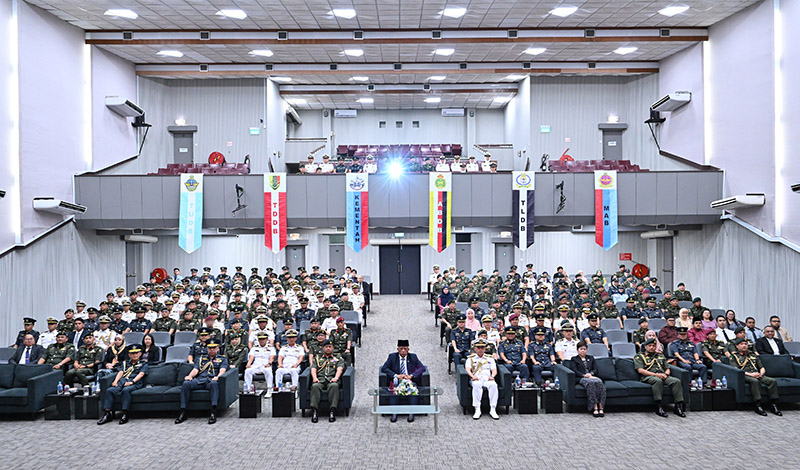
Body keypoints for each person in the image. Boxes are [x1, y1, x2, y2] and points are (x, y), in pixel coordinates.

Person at [175, 340, 228, 424]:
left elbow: (223, 370)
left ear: (217, 348)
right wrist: (190, 376)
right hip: (200, 380)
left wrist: (218, 377)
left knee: (214, 384)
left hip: (211, 380)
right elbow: (196, 369)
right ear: (207, 349)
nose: (211, 350)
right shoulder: (201, 359)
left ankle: (213, 412)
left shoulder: (222, 359)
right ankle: (183, 411)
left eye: (214, 348)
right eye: (210, 348)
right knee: (186, 384)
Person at [97, 344, 148, 425]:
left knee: (126, 390)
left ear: (140, 353)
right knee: (109, 390)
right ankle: (107, 414)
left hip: (134, 383)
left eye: (136, 353)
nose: (134, 355)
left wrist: (132, 382)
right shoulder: (125, 363)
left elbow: (141, 374)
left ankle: (125, 413)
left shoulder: (143, 364)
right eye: (132, 353)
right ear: (129, 354)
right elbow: (120, 372)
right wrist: (115, 381)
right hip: (122, 381)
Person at [729, 338, 782, 416]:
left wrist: (761, 374)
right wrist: (751, 375)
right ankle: (758, 405)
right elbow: (736, 369)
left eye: (745, 344)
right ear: (737, 346)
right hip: (744, 375)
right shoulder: (734, 356)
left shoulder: (753, 355)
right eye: (742, 344)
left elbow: (762, 367)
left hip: (757, 374)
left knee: (772, 381)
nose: (744, 346)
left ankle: (774, 405)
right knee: (755, 381)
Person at [634, 338, 686, 418]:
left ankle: (678, 406)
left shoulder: (660, 355)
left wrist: (666, 374)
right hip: (648, 376)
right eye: (649, 346)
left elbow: (667, 368)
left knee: (676, 381)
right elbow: (640, 370)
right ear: (645, 347)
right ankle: (658, 406)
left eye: (653, 346)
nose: (652, 347)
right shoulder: (640, 356)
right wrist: (656, 375)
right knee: (658, 381)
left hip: (662, 375)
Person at [380, 339, 426, 422]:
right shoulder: (392, 357)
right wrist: (396, 375)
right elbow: (384, 368)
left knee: (412, 388)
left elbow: (422, 368)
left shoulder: (413, 357)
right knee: (394, 389)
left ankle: (412, 412)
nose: (403, 351)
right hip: (397, 380)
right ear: (398, 349)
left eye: (405, 349)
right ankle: (394, 412)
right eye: (401, 349)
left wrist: (411, 376)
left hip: (410, 380)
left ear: (408, 349)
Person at [309, 339, 345, 423]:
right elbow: (313, 369)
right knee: (315, 386)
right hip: (320, 379)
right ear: (323, 348)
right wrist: (315, 378)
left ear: (333, 348)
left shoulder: (338, 358)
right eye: (326, 347)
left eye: (330, 347)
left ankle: (332, 410)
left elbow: (340, 369)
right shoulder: (317, 358)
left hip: (332, 379)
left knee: (334, 386)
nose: (328, 348)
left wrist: (336, 378)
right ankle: (315, 411)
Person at [464, 339, 499, 420]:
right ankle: (477, 409)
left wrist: (492, 376)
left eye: (482, 348)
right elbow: (468, 369)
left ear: (485, 348)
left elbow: (494, 369)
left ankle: (493, 409)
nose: (480, 349)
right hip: (476, 379)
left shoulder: (490, 358)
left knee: (493, 385)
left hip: (487, 379)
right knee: (476, 385)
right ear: (475, 348)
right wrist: (472, 376)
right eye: (478, 348)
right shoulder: (471, 359)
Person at [571, 341, 606, 417]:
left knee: (599, 382)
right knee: (591, 383)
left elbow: (595, 369)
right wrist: (584, 375)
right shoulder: (574, 359)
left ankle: (601, 406)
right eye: (581, 349)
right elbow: (574, 370)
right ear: (577, 350)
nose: (583, 351)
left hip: (591, 376)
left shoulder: (591, 358)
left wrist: (591, 374)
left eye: (584, 349)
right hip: (582, 377)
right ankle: (594, 406)